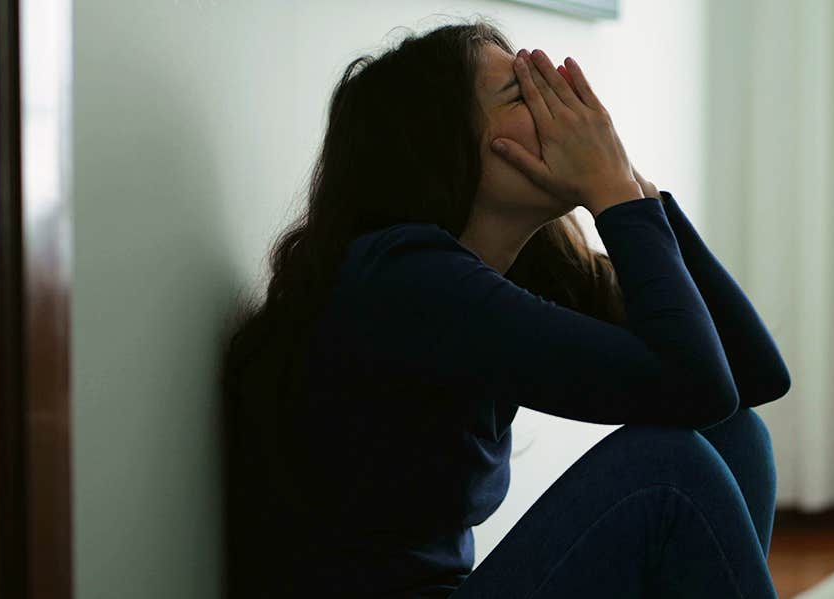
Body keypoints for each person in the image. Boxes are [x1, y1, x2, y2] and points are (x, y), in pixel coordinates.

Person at [220, 17, 790, 599]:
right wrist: (613, 194)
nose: (563, 113)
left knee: (736, 434)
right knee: (669, 468)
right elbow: (697, 384)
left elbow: (751, 379)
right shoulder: (406, 281)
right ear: (443, 145)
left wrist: (633, 186)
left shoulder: (509, 268)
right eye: (525, 94)